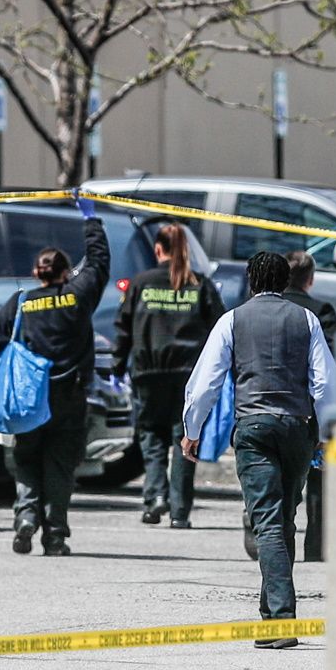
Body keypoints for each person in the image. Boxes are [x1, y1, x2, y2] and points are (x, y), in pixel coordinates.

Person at [181, 251, 336, 649]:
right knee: (284, 518)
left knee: (266, 521)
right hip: (298, 428)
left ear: (250, 280)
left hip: (252, 427)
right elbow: (325, 384)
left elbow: (205, 383)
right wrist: (326, 432)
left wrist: (191, 429)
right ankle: (271, 611)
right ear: (287, 282)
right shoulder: (307, 320)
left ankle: (281, 622)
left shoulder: (232, 320)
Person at [0, 199, 110, 556]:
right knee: (60, 465)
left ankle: (25, 516)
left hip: (28, 397)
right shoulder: (77, 296)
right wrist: (91, 221)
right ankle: (54, 536)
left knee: (25, 458)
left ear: (37, 273)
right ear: (66, 272)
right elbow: (99, 263)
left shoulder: (21, 302)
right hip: (70, 395)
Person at [114, 222, 223, 531]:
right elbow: (220, 329)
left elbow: (123, 328)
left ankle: (154, 498)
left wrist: (117, 367)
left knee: (151, 435)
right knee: (185, 439)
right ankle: (179, 512)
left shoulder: (141, 283)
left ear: (158, 249)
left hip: (148, 371)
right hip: (189, 376)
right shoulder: (199, 284)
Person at [282, 250, 336, 560]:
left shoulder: (269, 310)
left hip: (275, 405)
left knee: (279, 481)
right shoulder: (321, 312)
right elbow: (333, 362)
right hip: (312, 412)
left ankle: (276, 541)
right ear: (311, 280)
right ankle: (315, 547)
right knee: (317, 482)